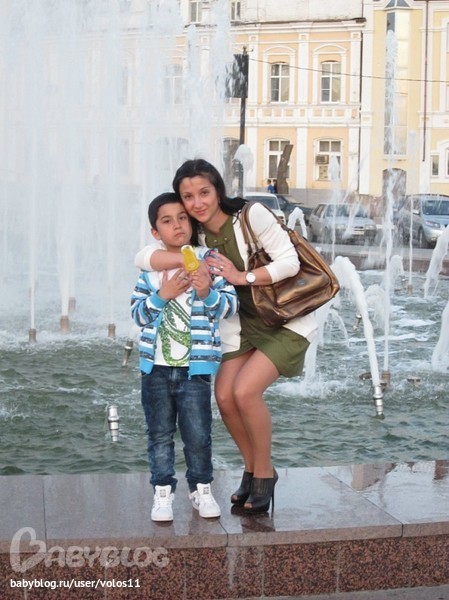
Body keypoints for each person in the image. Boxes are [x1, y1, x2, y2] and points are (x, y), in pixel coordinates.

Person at [135, 160, 317, 514]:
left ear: (218, 190)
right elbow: (143, 257)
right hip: (241, 324)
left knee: (245, 392)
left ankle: (264, 473)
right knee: (223, 396)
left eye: (204, 192)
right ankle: (252, 468)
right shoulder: (196, 235)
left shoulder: (252, 215)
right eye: (188, 197)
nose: (197, 203)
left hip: (283, 318)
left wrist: (239, 277)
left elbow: (290, 263)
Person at [131, 192, 239, 522]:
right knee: (159, 435)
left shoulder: (211, 261)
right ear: (155, 232)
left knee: (198, 435)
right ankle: (163, 491)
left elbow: (229, 307)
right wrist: (162, 295)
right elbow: (138, 315)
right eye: (167, 221)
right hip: (155, 369)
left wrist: (206, 290)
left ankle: (201, 489)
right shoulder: (150, 273)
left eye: (182, 218)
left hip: (195, 370)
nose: (177, 225)